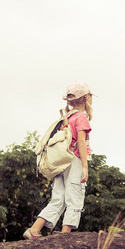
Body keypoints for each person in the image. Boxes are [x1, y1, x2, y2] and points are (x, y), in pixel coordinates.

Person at [24, 83, 93, 239]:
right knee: (74, 195)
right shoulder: (81, 117)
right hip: (74, 159)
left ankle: (34, 230)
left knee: (58, 198)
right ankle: (64, 236)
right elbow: (81, 142)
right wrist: (85, 167)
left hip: (61, 162)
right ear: (86, 98)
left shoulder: (66, 118)